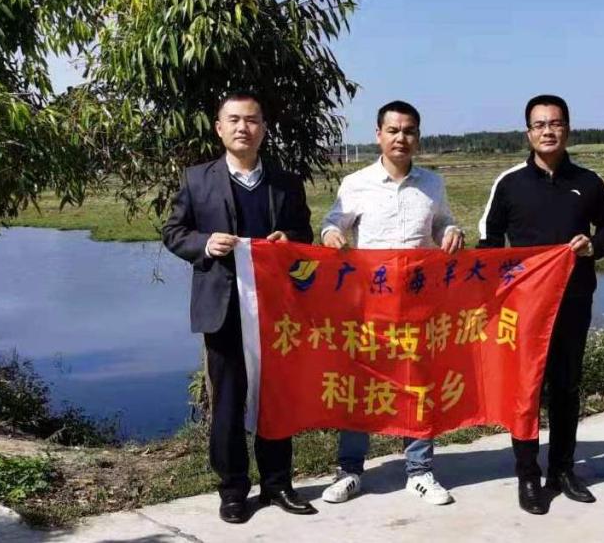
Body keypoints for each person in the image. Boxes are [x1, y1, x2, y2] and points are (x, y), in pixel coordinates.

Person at [163, 92, 318, 524]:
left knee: (275, 399)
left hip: (275, 309)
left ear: (263, 128)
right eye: (233, 120)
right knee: (228, 403)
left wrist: (289, 241)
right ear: (219, 128)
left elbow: (303, 233)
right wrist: (204, 243)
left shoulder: (286, 182)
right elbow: (174, 231)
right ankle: (232, 490)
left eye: (251, 120)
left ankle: (278, 483)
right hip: (223, 309)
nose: (242, 128)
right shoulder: (197, 179)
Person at [477, 94, 604, 515]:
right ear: (528, 133)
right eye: (539, 124)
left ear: (567, 129)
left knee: (566, 386)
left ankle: (562, 470)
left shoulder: (589, 181)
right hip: (523, 308)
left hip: (573, 299)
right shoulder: (509, 183)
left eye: (555, 123)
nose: (548, 131)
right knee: (525, 390)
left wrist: (592, 246)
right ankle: (527, 474)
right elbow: (488, 241)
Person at [318, 100, 465, 506]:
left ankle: (419, 471)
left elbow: (443, 222)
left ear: (418, 136)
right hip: (368, 306)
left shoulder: (432, 183)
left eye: (409, 131)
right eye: (393, 130)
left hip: (418, 305)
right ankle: (349, 471)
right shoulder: (356, 183)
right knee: (360, 387)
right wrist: (330, 235)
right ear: (378, 134)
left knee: (418, 385)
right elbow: (332, 222)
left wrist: (451, 232)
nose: (401, 138)